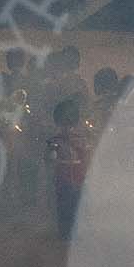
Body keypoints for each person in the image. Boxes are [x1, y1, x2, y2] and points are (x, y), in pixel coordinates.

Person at [49, 98, 90, 237]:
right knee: (63, 206)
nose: (66, 128)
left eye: (69, 124)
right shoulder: (54, 141)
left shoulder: (80, 139)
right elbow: (49, 159)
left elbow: (85, 157)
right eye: (63, 124)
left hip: (78, 176)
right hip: (62, 176)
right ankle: (64, 232)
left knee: (75, 205)